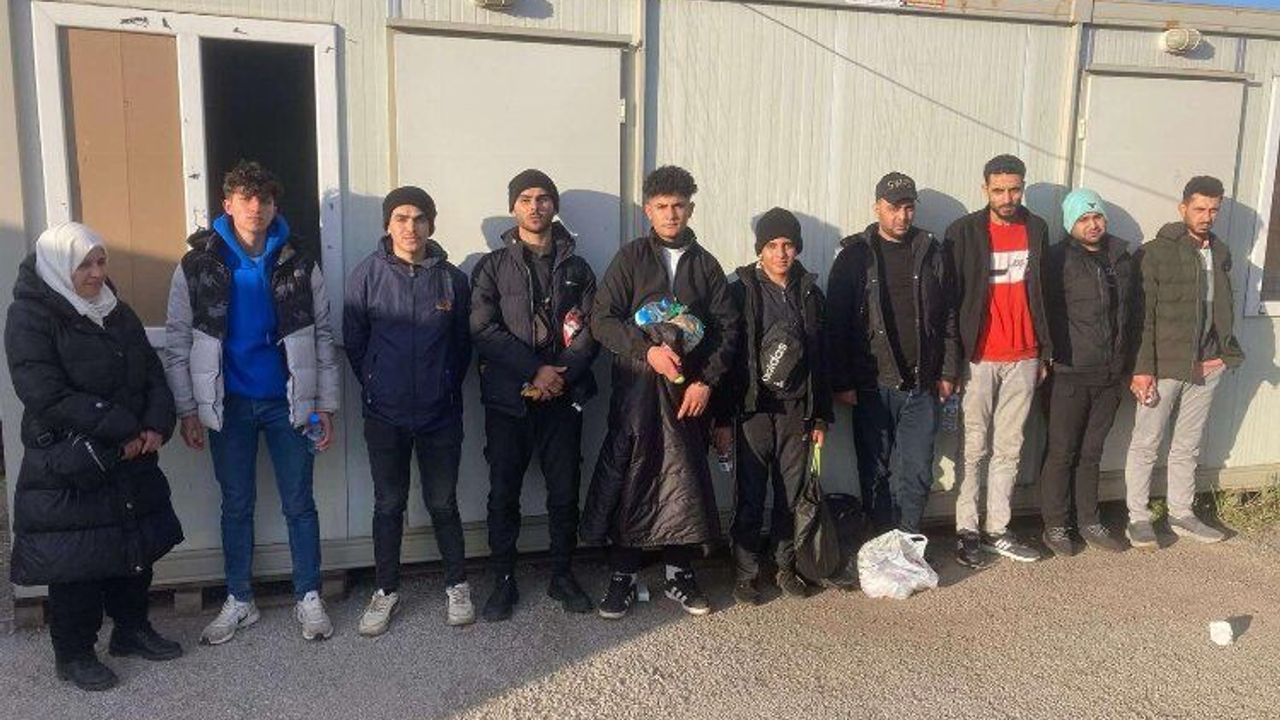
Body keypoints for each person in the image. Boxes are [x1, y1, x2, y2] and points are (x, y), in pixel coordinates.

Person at [164, 160, 340, 643]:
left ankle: (309, 595)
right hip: (229, 404)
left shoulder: (299, 262)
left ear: (274, 205)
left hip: (290, 402)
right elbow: (178, 341)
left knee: (299, 503)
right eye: (246, 198)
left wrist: (324, 405)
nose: (256, 207)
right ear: (227, 204)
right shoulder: (198, 264)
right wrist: (188, 409)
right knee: (236, 505)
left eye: (264, 199)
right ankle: (240, 599)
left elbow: (322, 335)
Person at [7, 223, 184, 691]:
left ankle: (131, 629)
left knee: (134, 548)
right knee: (77, 561)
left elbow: (152, 373)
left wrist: (154, 424)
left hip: (130, 454)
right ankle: (74, 654)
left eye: (101, 261)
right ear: (59, 266)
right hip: (73, 457)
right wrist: (123, 427)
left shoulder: (116, 310)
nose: (96, 272)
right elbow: (43, 392)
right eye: (84, 264)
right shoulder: (31, 315)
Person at [581, 165, 740, 619]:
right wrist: (646, 351)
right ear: (648, 211)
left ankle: (679, 573)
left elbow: (727, 330)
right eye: (662, 206)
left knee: (683, 479)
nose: (671, 214)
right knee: (630, 476)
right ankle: (623, 574)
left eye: (679, 206)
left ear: (691, 208)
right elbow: (602, 320)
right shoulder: (630, 258)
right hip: (635, 394)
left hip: (686, 396)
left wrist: (706, 381)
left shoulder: (706, 266)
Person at [470, 169, 599, 621]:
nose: (535, 206)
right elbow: (482, 329)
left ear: (554, 206)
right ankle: (503, 580)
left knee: (564, 492)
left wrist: (560, 375)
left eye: (543, 198)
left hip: (563, 397)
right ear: (513, 207)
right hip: (509, 399)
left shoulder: (579, 268)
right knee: (503, 493)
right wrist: (534, 370)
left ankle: (562, 575)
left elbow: (592, 329)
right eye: (525, 199)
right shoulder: (491, 267)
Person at [344, 186, 473, 635]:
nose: (410, 227)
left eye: (419, 218)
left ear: (431, 224)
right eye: (401, 218)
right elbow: (355, 342)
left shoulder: (453, 280)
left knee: (443, 502)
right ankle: (385, 590)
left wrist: (444, 385)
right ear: (388, 224)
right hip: (385, 413)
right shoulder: (366, 275)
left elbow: (462, 346)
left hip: (441, 413)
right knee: (388, 503)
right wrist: (377, 384)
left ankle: (457, 584)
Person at [827, 173, 960, 539]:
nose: (902, 216)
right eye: (893, 208)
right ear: (877, 208)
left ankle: (909, 540)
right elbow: (835, 322)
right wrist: (842, 381)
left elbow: (949, 315)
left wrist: (948, 370)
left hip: (922, 383)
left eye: (908, 207)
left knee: (917, 470)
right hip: (871, 383)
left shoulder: (932, 252)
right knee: (875, 469)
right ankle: (882, 541)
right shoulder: (854, 255)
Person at [1124, 176, 1244, 548]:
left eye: (1213, 210)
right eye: (1199, 208)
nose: (1207, 216)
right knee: (1146, 442)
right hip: (1163, 366)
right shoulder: (1155, 253)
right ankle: (1138, 518)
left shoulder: (1220, 252)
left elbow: (1221, 306)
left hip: (1207, 365)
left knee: (1187, 445)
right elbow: (1142, 316)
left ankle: (1181, 513)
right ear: (1183, 208)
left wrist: (1223, 352)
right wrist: (1143, 367)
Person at [721, 207, 832, 605]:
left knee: (791, 495)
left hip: (796, 412)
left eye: (788, 245)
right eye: (772, 245)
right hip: (753, 411)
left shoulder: (811, 293)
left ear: (797, 248)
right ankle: (746, 573)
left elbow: (822, 358)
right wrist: (722, 417)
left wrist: (820, 416)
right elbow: (727, 356)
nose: (781, 253)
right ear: (760, 249)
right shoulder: (739, 291)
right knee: (750, 495)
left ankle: (785, 567)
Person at [949, 154, 1052, 567]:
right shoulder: (963, 232)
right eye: (999, 190)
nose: (1007, 198)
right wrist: (953, 361)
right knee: (973, 448)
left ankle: (997, 529)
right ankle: (967, 531)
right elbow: (952, 300)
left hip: (1025, 356)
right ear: (985, 189)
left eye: (1014, 190)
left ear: (1022, 188)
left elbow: (1044, 293)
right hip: (979, 358)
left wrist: (1044, 350)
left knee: (1009, 448)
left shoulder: (1037, 229)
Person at [1038, 189, 1136, 556]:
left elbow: (1131, 314)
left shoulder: (1121, 257)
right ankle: (1055, 524)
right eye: (1083, 219)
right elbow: (1041, 311)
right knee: (1062, 452)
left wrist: (1129, 366)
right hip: (1069, 374)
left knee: (1092, 452)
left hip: (1109, 376)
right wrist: (1046, 356)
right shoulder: (1056, 259)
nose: (1092, 224)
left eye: (1097, 217)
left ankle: (1089, 520)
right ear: (1070, 224)